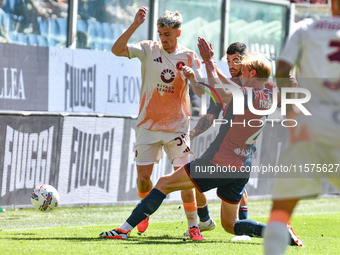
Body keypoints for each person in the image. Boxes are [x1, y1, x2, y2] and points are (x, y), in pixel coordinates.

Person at [99, 37, 302, 246]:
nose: (238, 73)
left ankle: (123, 230)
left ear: (252, 74)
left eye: (243, 71)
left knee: (163, 183)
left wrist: (207, 61)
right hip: (243, 165)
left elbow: (219, 89)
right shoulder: (269, 93)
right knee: (230, 224)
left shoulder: (246, 94)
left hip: (220, 161)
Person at [110, 7, 205, 239]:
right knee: (144, 179)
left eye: (168, 35)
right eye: (160, 33)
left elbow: (203, 92)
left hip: (178, 127)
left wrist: (193, 78)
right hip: (147, 126)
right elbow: (116, 50)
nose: (163, 39)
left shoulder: (190, 57)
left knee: (184, 179)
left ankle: (193, 226)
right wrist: (134, 25)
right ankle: (143, 213)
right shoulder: (148, 49)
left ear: (178, 33)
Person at [263, 0, 340, 254]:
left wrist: (290, 108)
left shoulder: (305, 27)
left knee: (282, 209)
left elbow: (283, 68)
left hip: (310, 124)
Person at [184, 42, 248, 238]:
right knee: (195, 178)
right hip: (224, 145)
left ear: (245, 60)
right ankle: (205, 220)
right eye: (228, 61)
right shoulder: (226, 85)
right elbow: (211, 114)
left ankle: (242, 228)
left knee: (238, 187)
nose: (231, 65)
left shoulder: (251, 85)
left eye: (236, 60)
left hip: (241, 147)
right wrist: (192, 133)